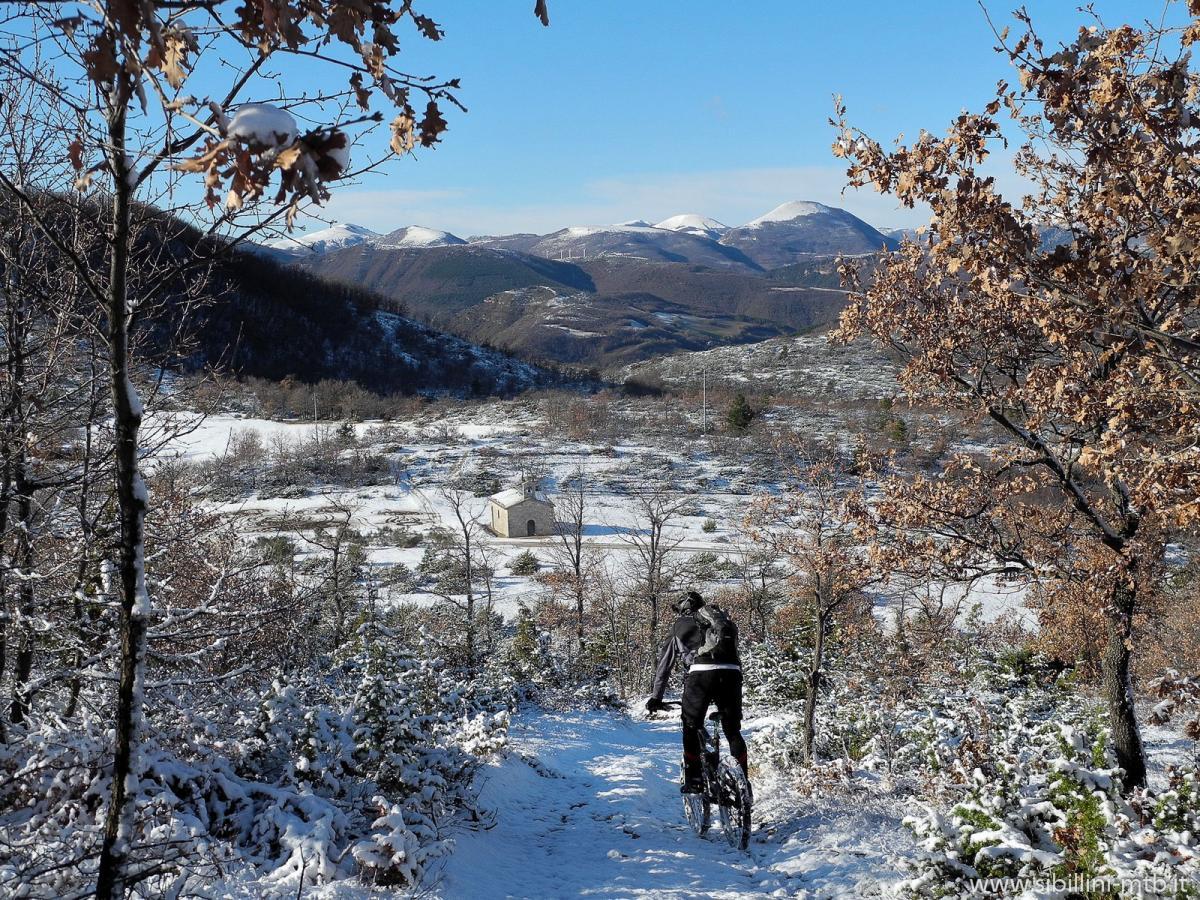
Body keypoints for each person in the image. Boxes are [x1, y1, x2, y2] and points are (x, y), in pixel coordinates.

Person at [645, 590, 748, 793]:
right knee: (733, 730)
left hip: (700, 674)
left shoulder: (679, 626)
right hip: (732, 673)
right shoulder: (719, 622)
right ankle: (745, 784)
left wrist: (656, 697)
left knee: (691, 725)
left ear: (683, 609)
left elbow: (664, 666)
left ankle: (694, 779)